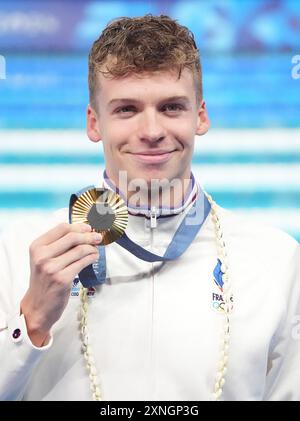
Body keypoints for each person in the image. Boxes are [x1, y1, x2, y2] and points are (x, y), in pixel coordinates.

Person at [0, 14, 300, 402]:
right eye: (126, 109)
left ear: (201, 116)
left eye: (172, 107)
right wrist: (32, 321)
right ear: (94, 123)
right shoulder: (19, 252)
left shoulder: (276, 259)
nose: (152, 131)